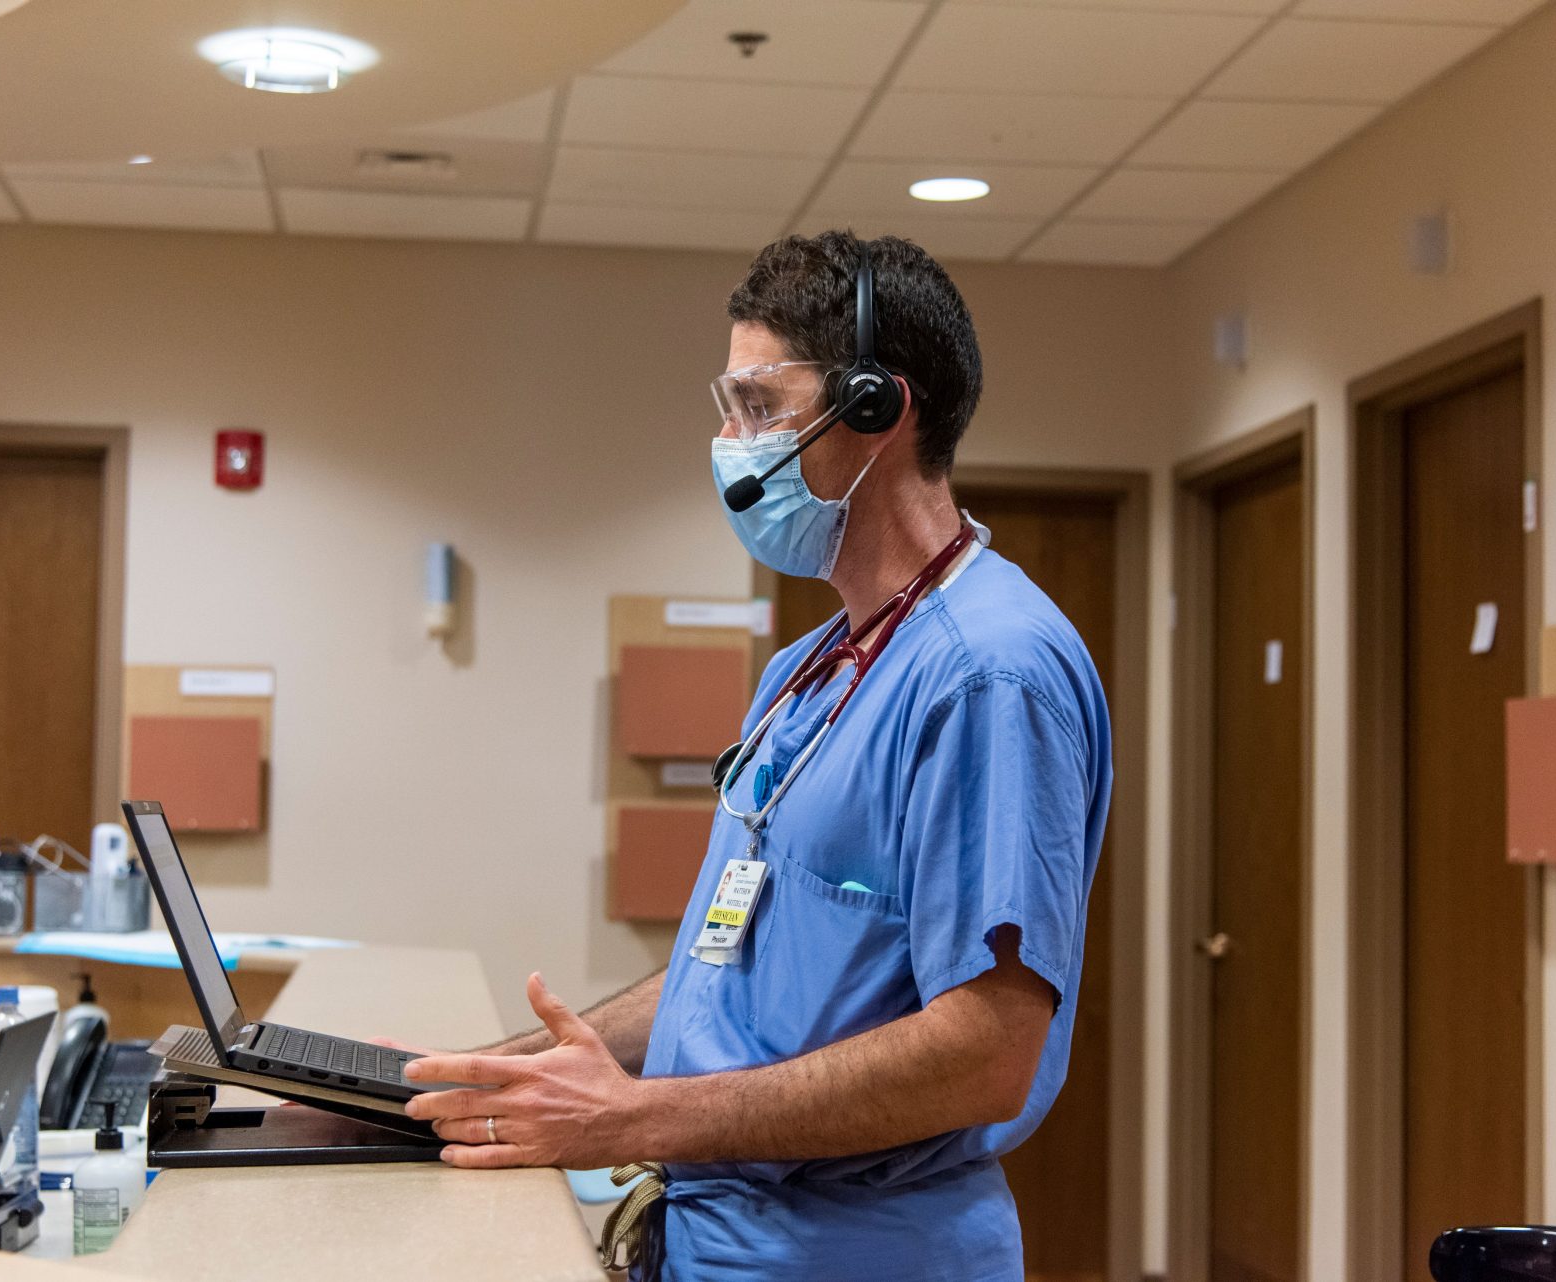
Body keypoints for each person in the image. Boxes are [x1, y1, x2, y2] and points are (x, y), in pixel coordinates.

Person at [390, 230, 1112, 1281]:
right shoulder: (810, 671)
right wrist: (497, 1076)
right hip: (724, 1242)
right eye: (727, 409)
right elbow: (724, 969)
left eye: (760, 408)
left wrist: (640, 1119)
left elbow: (987, 1052)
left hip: (858, 1252)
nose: (732, 442)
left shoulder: (989, 673)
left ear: (878, 409)